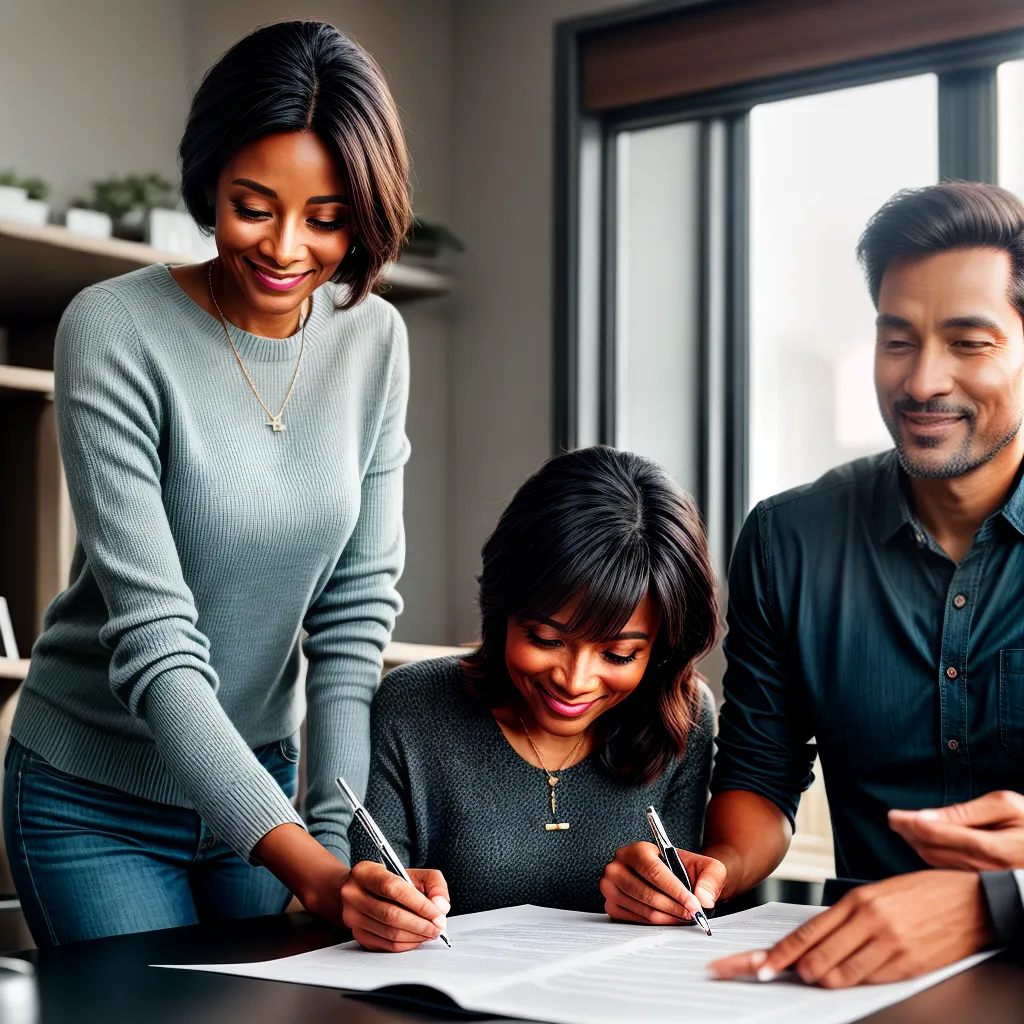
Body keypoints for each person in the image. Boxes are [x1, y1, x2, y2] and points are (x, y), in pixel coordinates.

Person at [3, 21, 412, 945]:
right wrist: (312, 868)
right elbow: (155, 639)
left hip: (265, 785)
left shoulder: (374, 340)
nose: (286, 249)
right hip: (95, 795)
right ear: (208, 183)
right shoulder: (112, 330)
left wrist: (340, 841)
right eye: (253, 205)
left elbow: (351, 617)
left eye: (328, 217)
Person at [602, 181, 1024, 985]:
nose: (924, 381)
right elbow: (762, 774)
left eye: (970, 343)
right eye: (897, 340)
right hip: (857, 973)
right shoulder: (789, 539)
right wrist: (714, 866)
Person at [341, 446, 718, 951]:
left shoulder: (685, 718)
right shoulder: (413, 706)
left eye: (620, 654)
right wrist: (378, 911)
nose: (575, 680)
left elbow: (676, 918)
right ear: (502, 611)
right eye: (546, 639)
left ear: (663, 649)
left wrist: (665, 903)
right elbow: (370, 889)